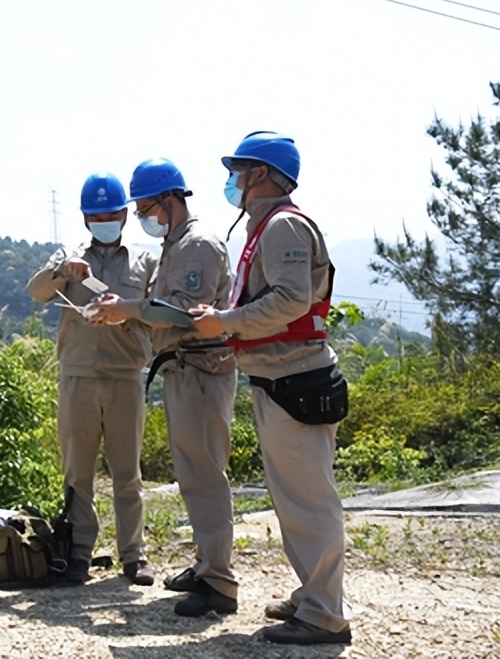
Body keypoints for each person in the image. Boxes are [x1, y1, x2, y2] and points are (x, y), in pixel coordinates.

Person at [189, 131, 352, 646]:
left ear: (260, 174)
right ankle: (313, 596)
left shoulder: (282, 226)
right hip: (283, 377)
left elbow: (290, 300)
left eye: (239, 170)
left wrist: (225, 321)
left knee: (308, 501)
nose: (233, 180)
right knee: (294, 499)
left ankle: (325, 613)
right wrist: (228, 331)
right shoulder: (270, 227)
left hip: (294, 379)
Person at [92, 158, 239, 617]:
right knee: (193, 474)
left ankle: (218, 581)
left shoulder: (196, 245)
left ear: (170, 200)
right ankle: (206, 565)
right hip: (184, 368)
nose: (143, 216)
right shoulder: (177, 245)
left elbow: (182, 312)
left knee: (206, 475)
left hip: (202, 368)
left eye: (146, 206)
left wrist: (128, 309)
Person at [27, 172, 157, 586]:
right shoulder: (67, 256)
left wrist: (129, 309)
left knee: (127, 472)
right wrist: (62, 269)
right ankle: (79, 552)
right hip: (77, 377)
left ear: (124, 214)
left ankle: (133, 555)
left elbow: (156, 309)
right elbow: (36, 292)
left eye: (111, 213)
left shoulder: (144, 260)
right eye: (95, 215)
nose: (104, 220)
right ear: (85, 219)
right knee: (77, 472)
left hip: (125, 377)